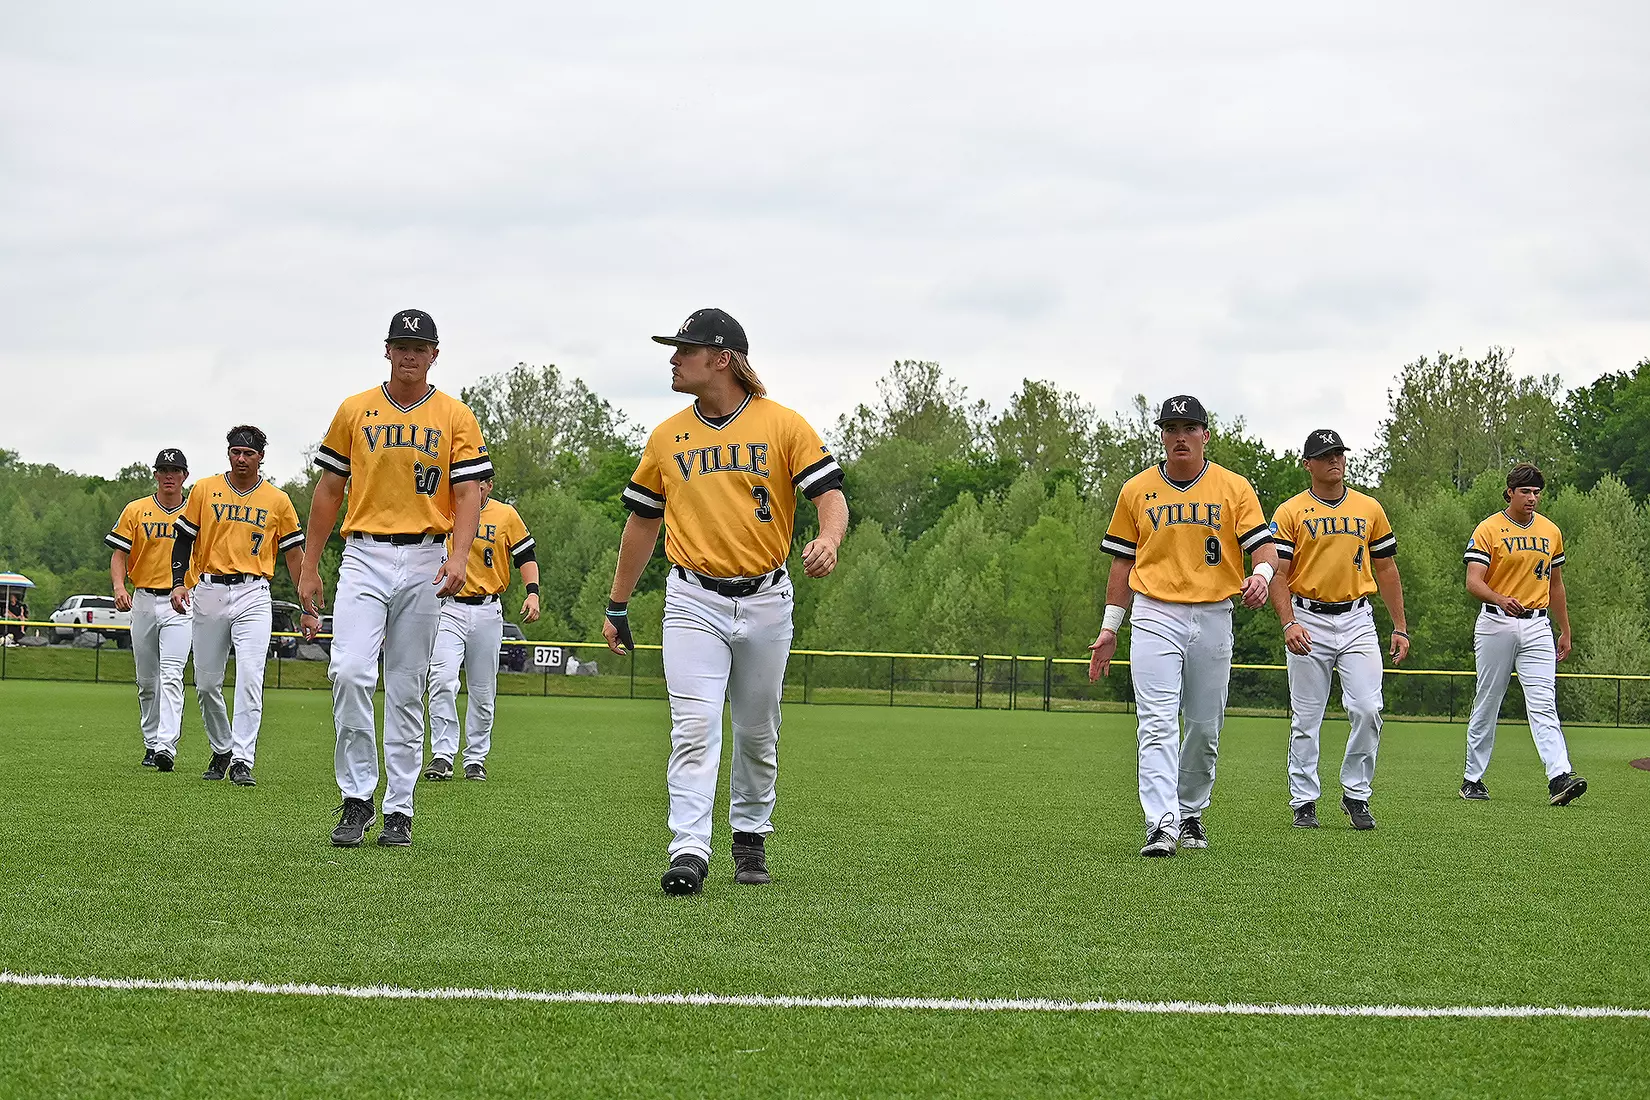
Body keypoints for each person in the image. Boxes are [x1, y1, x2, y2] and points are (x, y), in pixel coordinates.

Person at [601, 308, 846, 895]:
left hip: (766, 600)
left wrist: (829, 539)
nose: (673, 358)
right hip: (692, 599)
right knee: (694, 724)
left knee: (758, 729)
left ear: (722, 358)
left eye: (684, 349)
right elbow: (641, 524)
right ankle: (688, 847)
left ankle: (750, 836)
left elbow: (830, 496)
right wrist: (617, 604)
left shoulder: (782, 425)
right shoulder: (666, 437)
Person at [300, 309, 492, 848]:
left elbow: (469, 491)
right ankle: (357, 796)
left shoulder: (455, 415)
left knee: (407, 685)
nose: (409, 354)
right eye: (400, 345)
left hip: (427, 555)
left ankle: (399, 807)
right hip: (363, 553)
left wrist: (459, 555)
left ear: (435, 353)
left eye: (420, 346)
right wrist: (310, 565)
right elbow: (329, 491)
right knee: (350, 671)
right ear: (386, 350)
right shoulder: (355, 409)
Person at [1088, 395, 1279, 857]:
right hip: (1155, 612)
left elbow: (1265, 549)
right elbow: (1122, 562)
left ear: (1205, 435)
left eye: (1188, 428)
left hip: (1214, 613)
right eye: (1171, 428)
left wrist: (1262, 576)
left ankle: (1191, 812)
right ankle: (1161, 823)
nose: (1180, 436)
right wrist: (1111, 627)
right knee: (1156, 723)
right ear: (1161, 435)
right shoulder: (1136, 490)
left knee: (1203, 726)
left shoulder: (1233, 487)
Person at [1266, 429, 1410, 831]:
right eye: (1324, 454)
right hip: (1307, 616)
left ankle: (1356, 794)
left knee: (1367, 708)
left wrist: (1400, 626)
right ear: (1308, 464)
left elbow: (1386, 568)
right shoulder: (1291, 511)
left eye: (1339, 453)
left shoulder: (1369, 508)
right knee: (1307, 717)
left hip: (1357, 617)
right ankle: (1304, 801)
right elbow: (1278, 572)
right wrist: (1288, 621)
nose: (1334, 460)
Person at [170, 427, 307, 786]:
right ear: (228, 454)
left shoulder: (278, 500)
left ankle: (243, 758)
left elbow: (294, 554)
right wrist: (177, 584)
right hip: (209, 589)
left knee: (250, 677)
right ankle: (222, 747)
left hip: (253, 592)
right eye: (235, 452)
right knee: (205, 683)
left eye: (248, 453)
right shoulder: (204, 489)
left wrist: (307, 603)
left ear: (261, 457)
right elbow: (184, 538)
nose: (241, 459)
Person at [1460, 463, 1587, 805]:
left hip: (1537, 624)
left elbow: (1556, 584)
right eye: (1525, 491)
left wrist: (1565, 629)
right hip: (1496, 622)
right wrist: (1500, 598)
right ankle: (1473, 778)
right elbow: (1474, 581)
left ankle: (1559, 776)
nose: (1532, 498)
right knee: (1489, 700)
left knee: (1544, 701)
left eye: (1536, 492)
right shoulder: (1489, 528)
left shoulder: (1550, 531)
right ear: (1510, 493)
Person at [424, 477, 540, 782]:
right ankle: (443, 754)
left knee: (483, 689)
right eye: (471, 481)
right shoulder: (445, 509)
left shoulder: (505, 515)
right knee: (442, 678)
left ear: (489, 485)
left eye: (483, 482)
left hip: (488, 609)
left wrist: (533, 592)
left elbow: (525, 555)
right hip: (448, 606)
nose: (478, 487)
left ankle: (475, 757)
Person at [106, 448, 194, 771]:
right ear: (155, 474)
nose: (169, 475)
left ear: (185, 475)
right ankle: (150, 741)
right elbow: (119, 553)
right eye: (163, 470)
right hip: (143, 598)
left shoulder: (195, 512)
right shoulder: (137, 510)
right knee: (147, 681)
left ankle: (165, 745)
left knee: (172, 675)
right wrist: (119, 586)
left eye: (175, 470)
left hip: (180, 601)